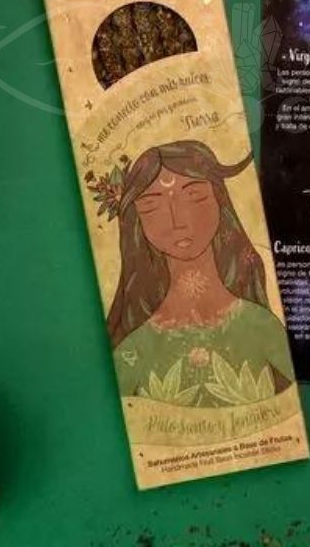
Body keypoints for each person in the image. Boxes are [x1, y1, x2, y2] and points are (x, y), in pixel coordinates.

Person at [97, 140, 294, 408]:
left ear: (219, 200)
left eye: (194, 196)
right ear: (137, 221)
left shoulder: (262, 328)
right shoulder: (134, 350)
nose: (177, 219)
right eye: (151, 205)